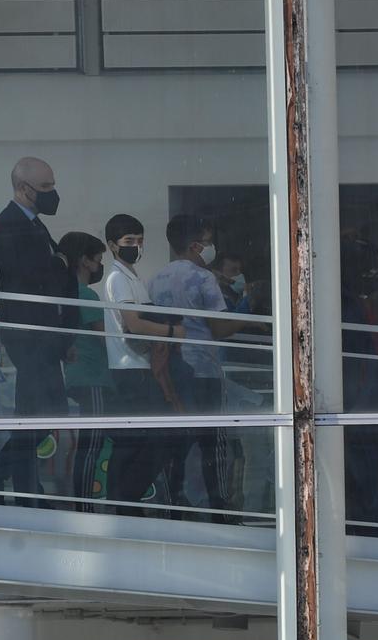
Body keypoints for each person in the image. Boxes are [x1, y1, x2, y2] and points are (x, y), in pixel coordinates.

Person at [0, 156, 73, 497]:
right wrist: (58, 265)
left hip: (42, 335)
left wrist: (56, 266)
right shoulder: (9, 224)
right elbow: (33, 277)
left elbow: (52, 271)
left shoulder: (34, 223)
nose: (53, 194)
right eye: (46, 187)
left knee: (43, 415)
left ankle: (16, 481)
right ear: (24, 189)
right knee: (37, 415)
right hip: (29, 335)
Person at [151, 214, 245, 512]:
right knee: (214, 442)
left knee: (178, 441)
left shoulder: (155, 279)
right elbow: (219, 328)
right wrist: (249, 316)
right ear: (194, 246)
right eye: (207, 242)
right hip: (203, 370)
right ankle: (220, 506)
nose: (211, 247)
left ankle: (173, 502)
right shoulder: (203, 278)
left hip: (172, 368)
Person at [100, 215, 187, 510]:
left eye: (139, 241)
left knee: (134, 445)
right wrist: (173, 331)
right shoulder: (117, 279)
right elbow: (134, 324)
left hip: (140, 366)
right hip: (130, 368)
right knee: (156, 439)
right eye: (128, 242)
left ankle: (125, 504)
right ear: (112, 246)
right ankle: (124, 501)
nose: (135, 247)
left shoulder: (133, 278)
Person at [57, 232, 113, 508]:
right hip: (93, 377)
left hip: (78, 376)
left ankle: (83, 501)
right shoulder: (85, 295)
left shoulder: (66, 292)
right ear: (84, 261)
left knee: (89, 441)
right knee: (93, 443)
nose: (100, 264)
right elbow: (106, 337)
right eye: (98, 258)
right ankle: (85, 503)